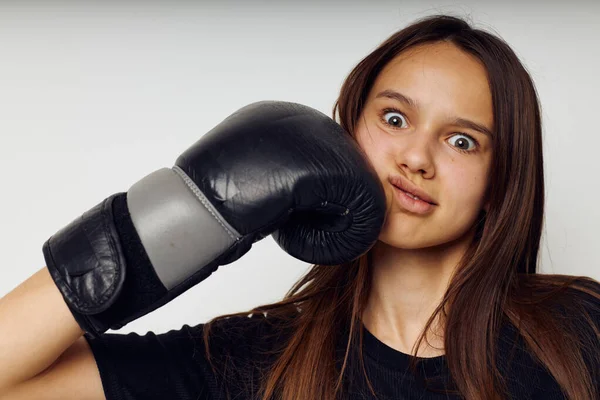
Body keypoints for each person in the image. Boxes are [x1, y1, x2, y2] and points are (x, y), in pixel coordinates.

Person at [0, 13, 598, 400]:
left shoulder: (579, 329)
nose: (417, 157)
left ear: (501, 180)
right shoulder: (254, 359)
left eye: (461, 140)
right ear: (345, 135)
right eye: (394, 118)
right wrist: (185, 217)